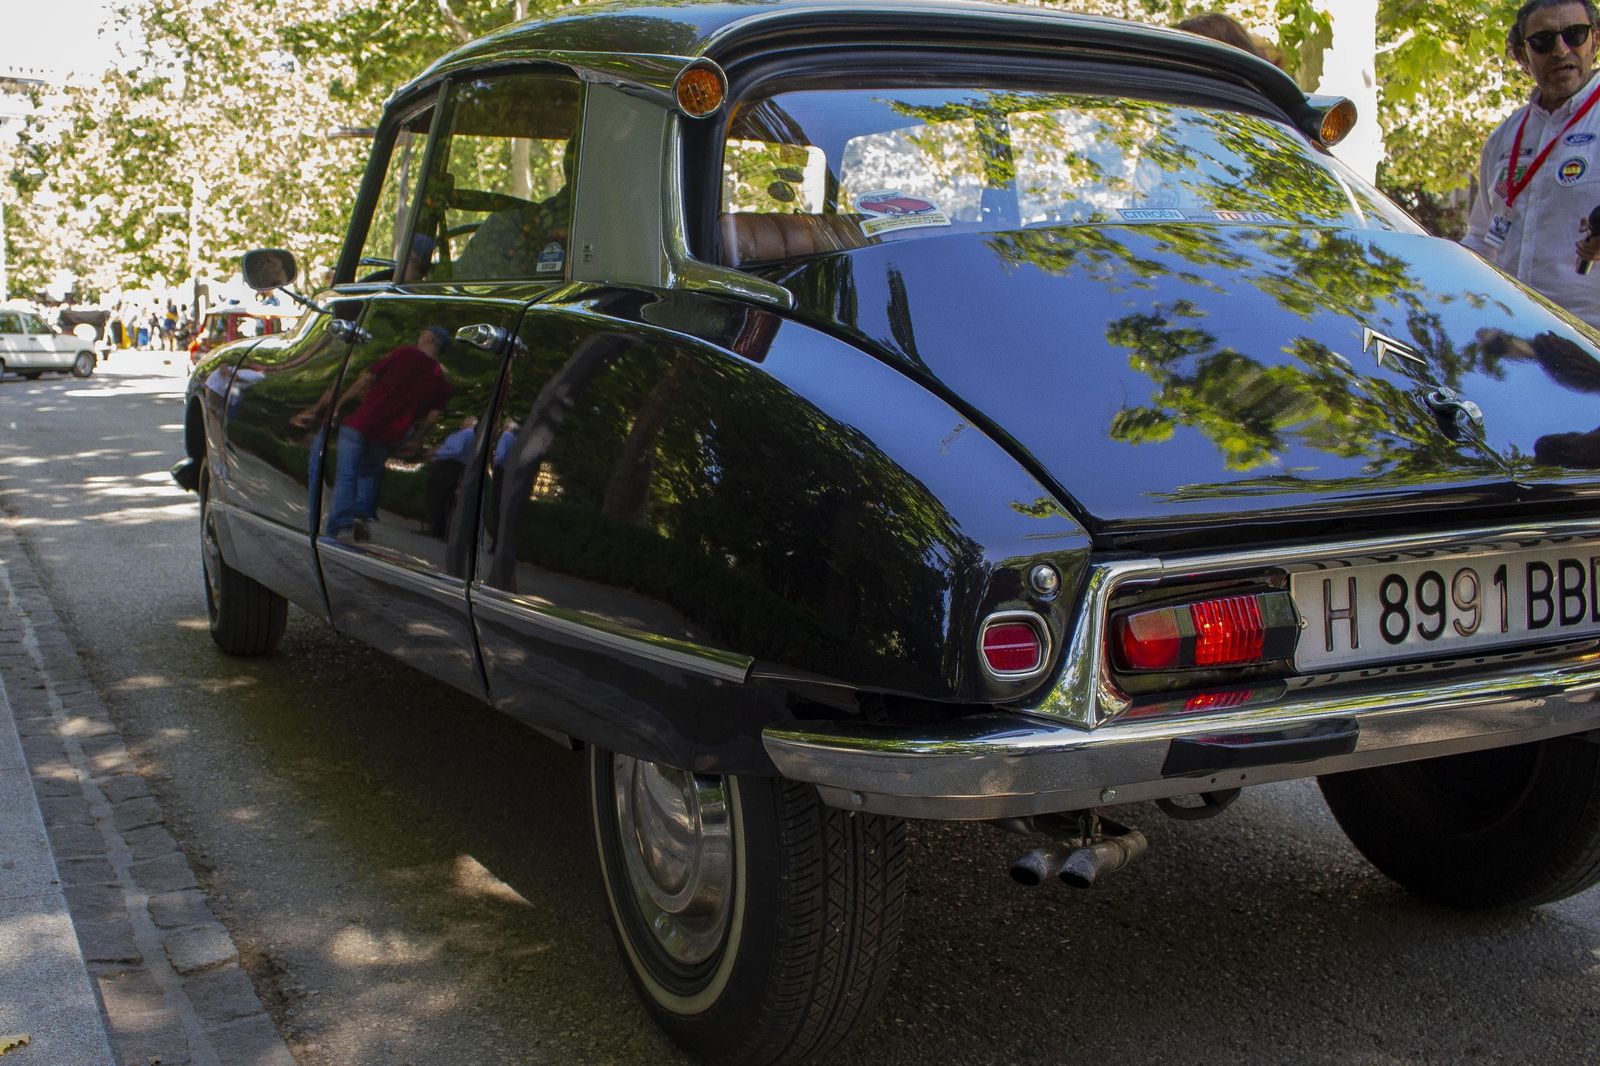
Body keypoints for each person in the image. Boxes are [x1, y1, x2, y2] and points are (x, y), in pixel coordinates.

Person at [1465, 1, 1600, 330]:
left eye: (1575, 34)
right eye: (1542, 41)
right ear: (1522, 56)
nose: (1560, 49)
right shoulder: (1504, 137)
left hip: (1590, 340)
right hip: (1515, 336)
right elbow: (1482, 238)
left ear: (1595, 41)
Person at [292, 325, 455, 541]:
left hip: (361, 422)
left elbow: (365, 380)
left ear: (428, 338)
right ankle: (361, 516)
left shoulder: (405, 353)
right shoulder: (439, 378)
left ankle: (340, 526)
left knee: (347, 474)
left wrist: (340, 404)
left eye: (422, 335)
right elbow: (432, 415)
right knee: (370, 472)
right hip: (389, 433)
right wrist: (417, 439)